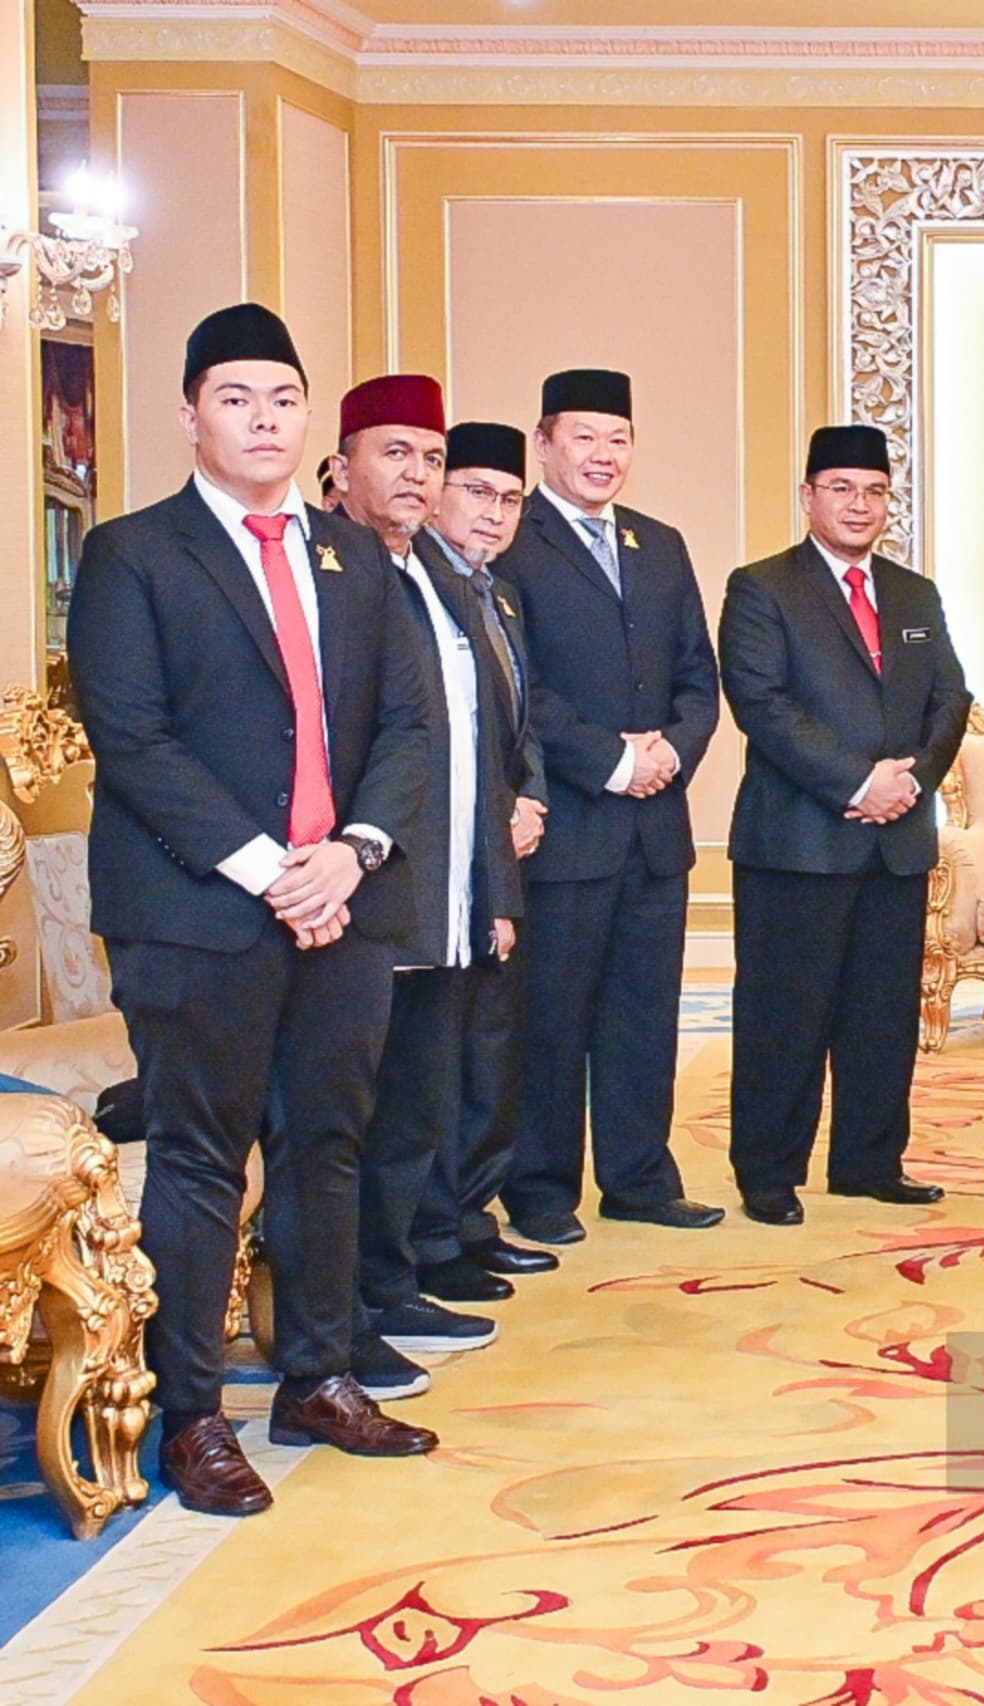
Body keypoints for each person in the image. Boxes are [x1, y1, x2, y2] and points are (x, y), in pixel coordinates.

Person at [66, 303, 438, 1516]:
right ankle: (190, 1415)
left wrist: (353, 854)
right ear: (191, 415)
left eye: (283, 400)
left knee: (328, 1143)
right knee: (200, 1157)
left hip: (344, 901)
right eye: (236, 398)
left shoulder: (355, 557)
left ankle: (316, 1375)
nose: (263, 420)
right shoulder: (135, 554)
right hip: (198, 911)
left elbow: (409, 725)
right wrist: (272, 866)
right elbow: (133, 736)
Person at [330, 376, 526, 1399]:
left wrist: (494, 889)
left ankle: (390, 1281)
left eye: (431, 457)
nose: (417, 474)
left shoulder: (441, 582)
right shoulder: (329, 567)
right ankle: (341, 1320)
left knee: (415, 1109)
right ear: (342, 467)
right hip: (363, 897)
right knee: (348, 1123)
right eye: (395, 453)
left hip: (444, 895)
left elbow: (481, 753)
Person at [722, 426, 971, 1224]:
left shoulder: (914, 594)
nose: (859, 505)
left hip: (895, 842)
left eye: (874, 491)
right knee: (784, 1018)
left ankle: (870, 1162)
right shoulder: (763, 587)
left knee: (882, 1017)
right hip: (798, 843)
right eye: (840, 488)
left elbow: (951, 698)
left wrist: (910, 781)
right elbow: (763, 705)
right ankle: (769, 1173)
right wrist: (859, 781)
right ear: (808, 497)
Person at [498, 369, 724, 1241]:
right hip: (567, 825)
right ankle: (541, 1190)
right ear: (545, 443)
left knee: (643, 1016)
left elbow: (697, 676)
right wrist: (612, 760)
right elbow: (522, 687)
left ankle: (639, 1178)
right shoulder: (515, 540)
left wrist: (669, 751)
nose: (604, 455)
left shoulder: (659, 544)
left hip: (654, 829)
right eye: (584, 437)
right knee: (552, 1020)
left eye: (618, 439)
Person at [410, 421, 554, 1290]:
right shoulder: (414, 584)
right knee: (441, 1060)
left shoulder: (499, 593)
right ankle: (434, 1239)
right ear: (437, 495)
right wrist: (498, 811)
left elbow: (517, 720)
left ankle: (471, 1217)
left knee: (491, 1050)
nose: (493, 513)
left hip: (500, 851)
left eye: (509, 499)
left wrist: (528, 798)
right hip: (443, 858)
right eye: (476, 492)